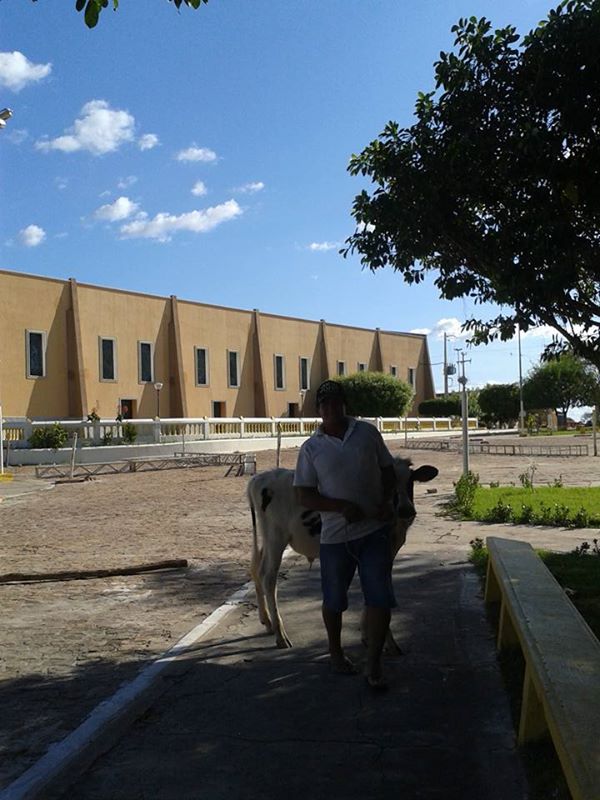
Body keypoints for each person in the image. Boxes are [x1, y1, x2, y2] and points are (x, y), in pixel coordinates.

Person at [293, 379, 397, 689]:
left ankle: (374, 663)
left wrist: (386, 501)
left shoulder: (367, 433)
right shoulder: (310, 449)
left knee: (380, 597)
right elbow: (304, 495)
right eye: (324, 404)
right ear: (318, 411)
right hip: (335, 538)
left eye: (336, 402)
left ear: (344, 405)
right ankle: (335, 652)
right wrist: (338, 506)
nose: (331, 408)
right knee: (334, 600)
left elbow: (388, 470)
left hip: (375, 531)